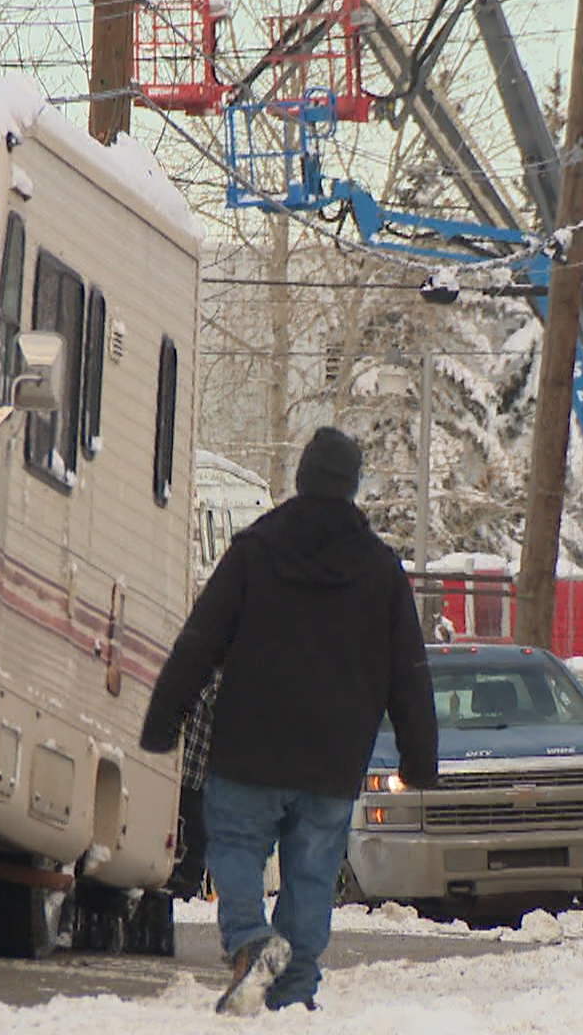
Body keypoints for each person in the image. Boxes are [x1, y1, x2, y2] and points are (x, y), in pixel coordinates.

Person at [139, 427, 438, 1016]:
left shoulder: (256, 548)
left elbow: (200, 641)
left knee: (235, 848)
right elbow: (410, 670)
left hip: (250, 747)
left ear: (302, 477)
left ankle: (252, 942)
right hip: (332, 758)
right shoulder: (380, 570)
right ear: (352, 486)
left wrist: (163, 720)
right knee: (310, 872)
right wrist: (419, 758)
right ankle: (296, 989)